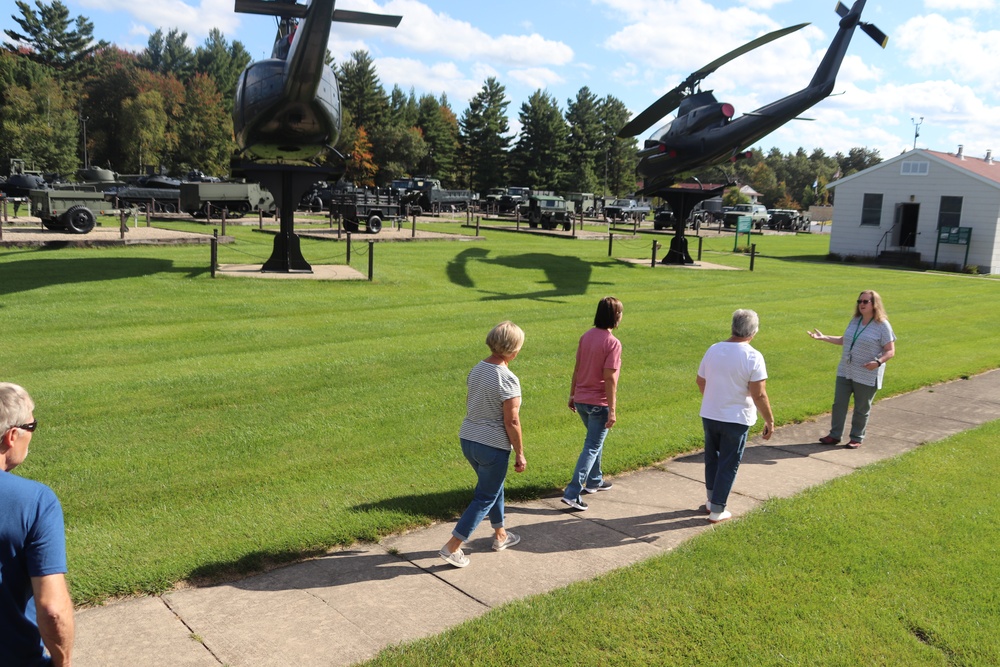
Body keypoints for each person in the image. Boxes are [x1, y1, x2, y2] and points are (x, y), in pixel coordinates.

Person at [440, 322, 527, 568]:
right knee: (485, 496)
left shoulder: (477, 369)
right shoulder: (508, 379)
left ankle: (500, 535)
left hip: (468, 440)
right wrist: (520, 452)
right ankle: (452, 547)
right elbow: (512, 421)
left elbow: (472, 402)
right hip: (493, 446)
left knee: (493, 487)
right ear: (513, 350)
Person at [0, 383, 74, 666]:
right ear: (12, 435)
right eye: (32, 425)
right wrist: (62, 662)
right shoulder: (35, 501)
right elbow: (53, 610)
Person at [697, 310, 775, 524]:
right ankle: (718, 508)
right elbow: (759, 394)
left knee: (712, 458)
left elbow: (700, 380)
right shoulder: (753, 356)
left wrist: (715, 398)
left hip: (711, 413)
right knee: (729, 463)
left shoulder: (714, 349)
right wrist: (769, 420)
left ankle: (712, 500)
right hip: (737, 418)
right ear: (754, 331)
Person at [808, 289, 896, 448]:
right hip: (846, 370)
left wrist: (878, 362)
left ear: (874, 304)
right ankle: (835, 435)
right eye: (859, 301)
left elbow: (890, 350)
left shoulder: (882, 325)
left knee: (861, 407)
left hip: (867, 373)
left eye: (865, 301)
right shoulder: (855, 320)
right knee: (839, 404)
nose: (861, 304)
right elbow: (845, 340)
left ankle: (857, 437)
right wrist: (823, 338)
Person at [561, 297, 624, 511]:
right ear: (615, 316)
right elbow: (610, 378)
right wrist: (612, 410)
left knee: (595, 440)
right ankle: (572, 493)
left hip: (581, 401)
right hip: (599, 403)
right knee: (592, 446)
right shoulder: (613, 343)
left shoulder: (586, 337)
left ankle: (595, 480)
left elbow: (577, 368)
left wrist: (572, 395)